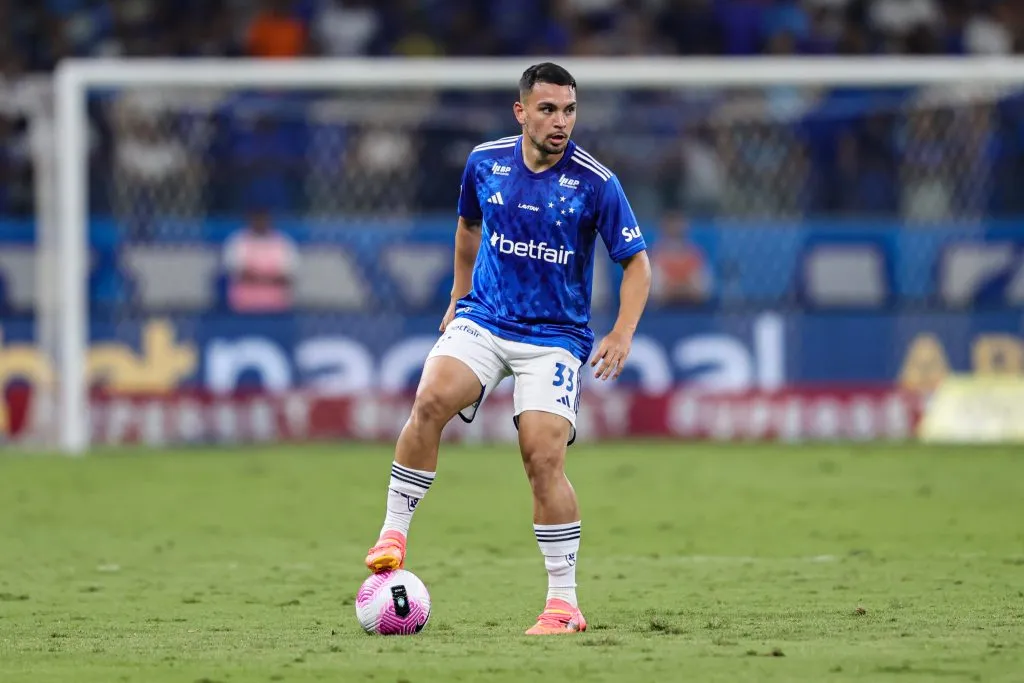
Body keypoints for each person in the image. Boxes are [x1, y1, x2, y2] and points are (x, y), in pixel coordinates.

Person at [363, 63, 652, 635]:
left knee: (542, 455)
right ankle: (393, 531)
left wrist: (622, 333)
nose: (561, 122)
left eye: (569, 110)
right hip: (486, 317)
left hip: (554, 338)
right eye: (548, 109)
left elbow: (637, 264)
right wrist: (458, 294)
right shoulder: (484, 162)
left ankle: (563, 605)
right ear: (521, 112)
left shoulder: (597, 183)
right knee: (430, 399)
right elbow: (468, 228)